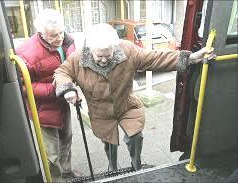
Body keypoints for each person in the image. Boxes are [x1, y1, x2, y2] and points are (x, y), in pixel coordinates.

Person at [53, 23, 216, 171]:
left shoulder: (127, 50)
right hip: (100, 111)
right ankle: (112, 167)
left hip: (126, 104)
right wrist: (68, 89)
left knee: (136, 136)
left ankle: (136, 164)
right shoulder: (79, 57)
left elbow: (155, 58)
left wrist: (191, 58)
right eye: (99, 56)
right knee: (109, 142)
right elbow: (62, 72)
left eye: (107, 55)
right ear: (90, 50)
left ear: (114, 48)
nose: (103, 60)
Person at [15, 9, 80, 179]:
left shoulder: (68, 41)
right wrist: (56, 89)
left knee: (67, 139)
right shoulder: (25, 53)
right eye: (53, 36)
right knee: (51, 153)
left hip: (63, 102)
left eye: (61, 32)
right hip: (43, 109)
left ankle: (67, 172)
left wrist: (74, 84)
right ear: (41, 33)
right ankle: (56, 180)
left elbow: (73, 65)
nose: (59, 38)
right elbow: (22, 86)